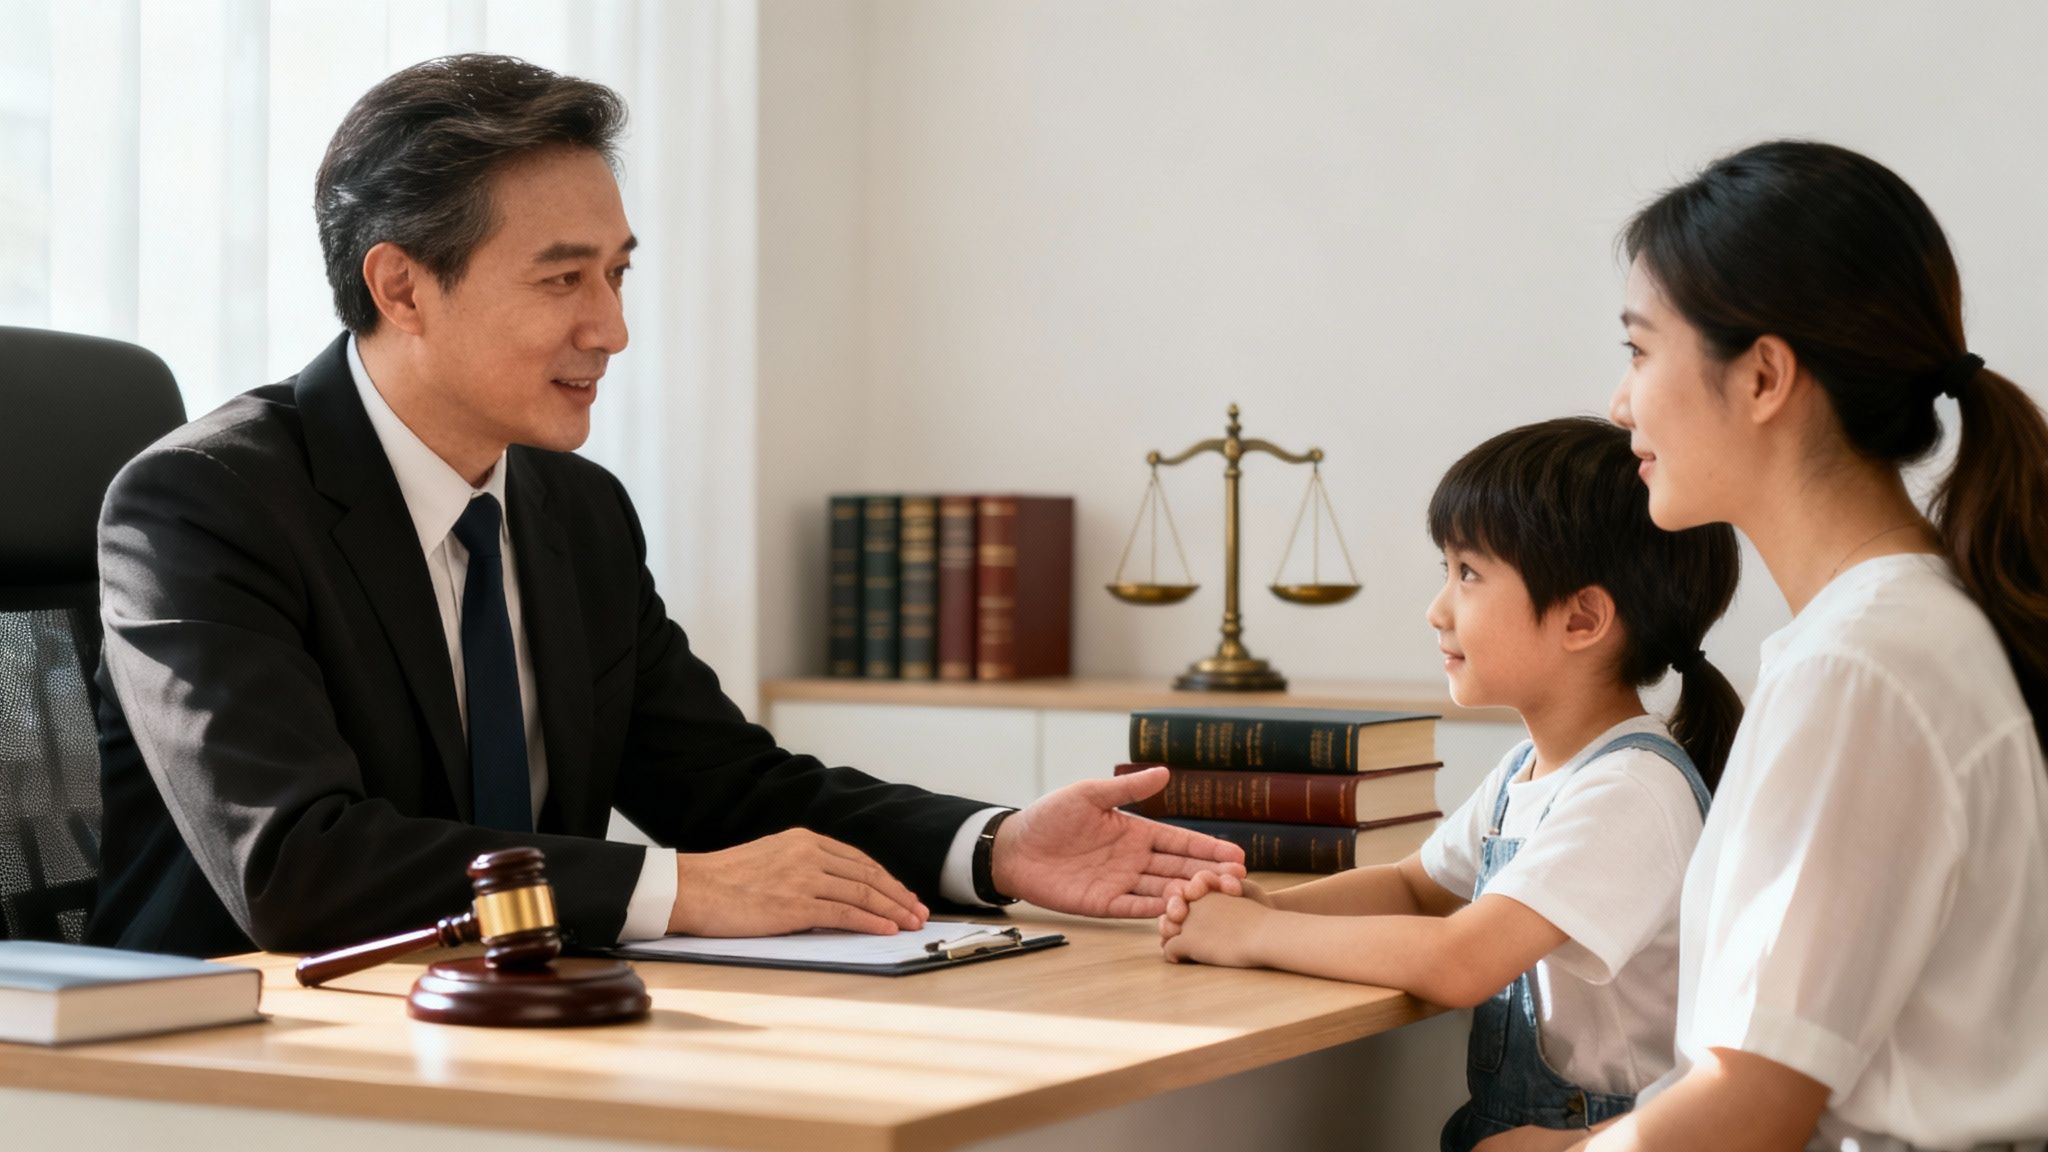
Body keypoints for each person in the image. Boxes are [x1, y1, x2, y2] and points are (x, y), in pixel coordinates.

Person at [87, 53, 1242, 959]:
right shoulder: (204, 505)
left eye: (617, 273)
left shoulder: (574, 511)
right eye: (561, 278)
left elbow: (727, 786)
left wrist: (990, 847)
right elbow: (298, 863)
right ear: (402, 285)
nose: (612, 329)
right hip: (237, 1044)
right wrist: (681, 889)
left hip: (513, 1020)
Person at [1521, 140, 2048, 1151]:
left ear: (1762, 375)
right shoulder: (1893, 631)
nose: (1619, 404)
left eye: (1638, 351)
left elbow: (1749, 1107)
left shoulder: (1861, 664)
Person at [1158, 416, 1742, 1150]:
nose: (1437, 609)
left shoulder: (1629, 791)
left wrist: (1261, 935)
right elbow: (1412, 886)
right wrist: (1265, 907)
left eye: (1468, 574)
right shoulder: (1524, 772)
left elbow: (1461, 961)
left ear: (1583, 618)